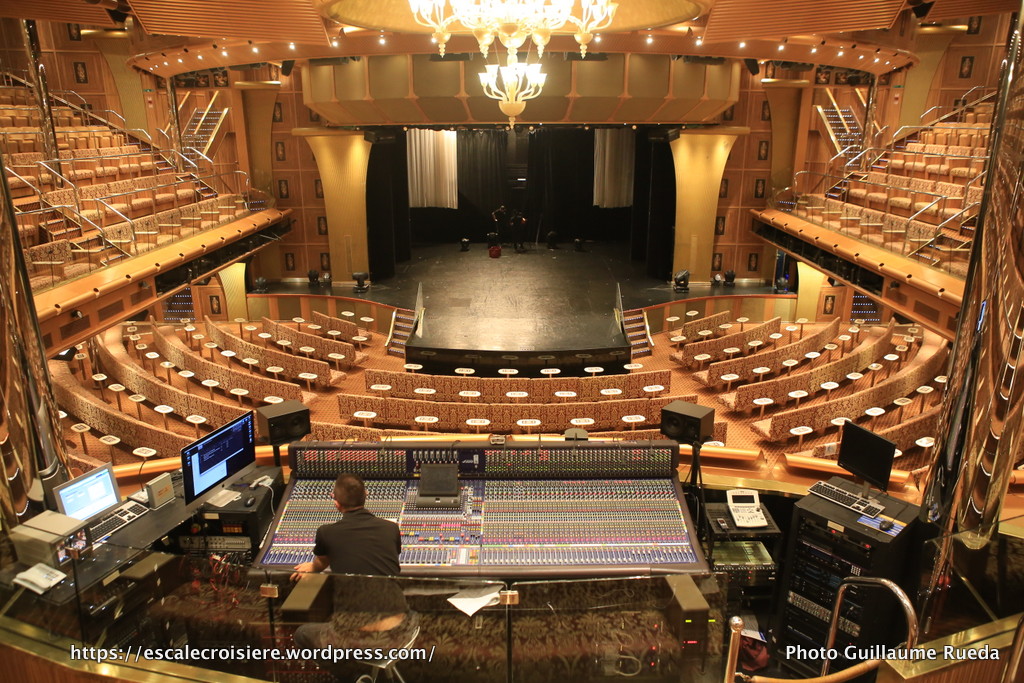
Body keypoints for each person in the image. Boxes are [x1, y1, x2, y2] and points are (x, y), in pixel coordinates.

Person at [291, 474, 415, 676]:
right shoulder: (391, 528)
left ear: (336, 503)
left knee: (302, 634)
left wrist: (312, 567)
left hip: (355, 636)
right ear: (366, 495)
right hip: (401, 628)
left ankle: (346, 675)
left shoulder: (326, 532)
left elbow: (321, 562)